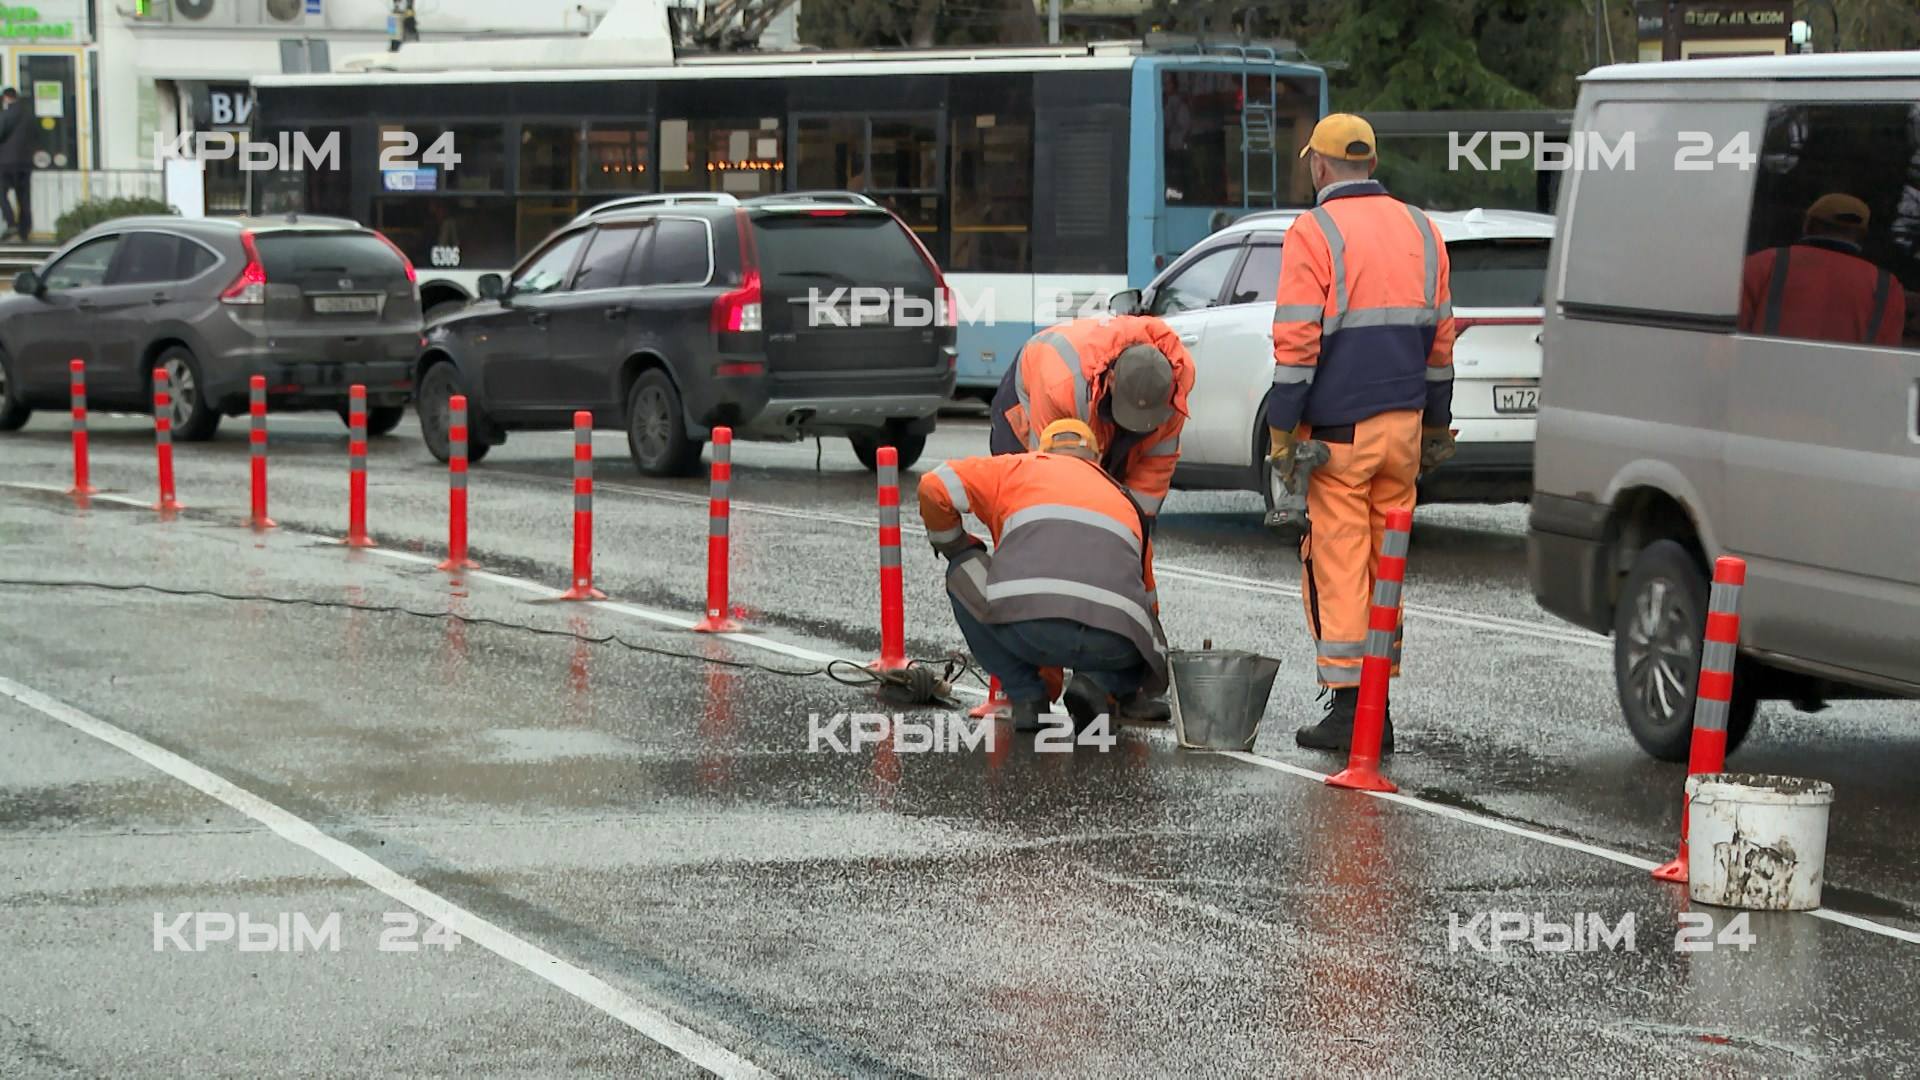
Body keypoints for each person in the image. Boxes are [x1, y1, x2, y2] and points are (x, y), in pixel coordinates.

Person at [1267, 113, 1456, 754]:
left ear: (1319, 167)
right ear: (1370, 165)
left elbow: (1296, 343)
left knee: (1339, 561)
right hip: (1404, 428)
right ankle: (1378, 702)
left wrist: (1281, 429)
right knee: (1385, 565)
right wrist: (1435, 423)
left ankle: (1351, 711)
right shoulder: (1422, 230)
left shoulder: (1313, 232)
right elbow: (1441, 343)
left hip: (1342, 436)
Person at [986, 313, 1191, 723]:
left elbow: (1143, 505)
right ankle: (1034, 686)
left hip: (1097, 411)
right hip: (1034, 419)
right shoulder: (1061, 381)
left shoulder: (1172, 387)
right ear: (1111, 381)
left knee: (1124, 544)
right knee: (1050, 540)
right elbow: (1057, 485)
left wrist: (1134, 535)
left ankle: (1111, 681)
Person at [919, 419, 1170, 733]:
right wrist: (1142, 681)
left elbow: (933, 485)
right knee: (1135, 626)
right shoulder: (1125, 500)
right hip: (1112, 646)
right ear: (1096, 458)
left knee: (962, 571)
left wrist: (955, 545)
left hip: (1029, 630)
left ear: (1042, 451)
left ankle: (1027, 698)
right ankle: (1097, 683)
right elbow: (1149, 604)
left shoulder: (1017, 467)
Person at [988, 313, 1194, 524]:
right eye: (1131, 413)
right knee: (1024, 496)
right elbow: (1046, 472)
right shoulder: (1063, 384)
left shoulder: (1173, 394)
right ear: (1112, 380)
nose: (1137, 427)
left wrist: (1137, 531)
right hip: (1033, 390)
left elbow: (1152, 476)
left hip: (1092, 392)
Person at [1738, 193, 1905, 346]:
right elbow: (1887, 357)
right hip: (1848, 378)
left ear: (1807, 224)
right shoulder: (1887, 286)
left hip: (1763, 374)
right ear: (1862, 234)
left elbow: (1732, 333)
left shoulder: (1763, 264)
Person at [0, 88, 35, 242]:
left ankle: (11, 225)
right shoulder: (29, 116)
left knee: (1, 194)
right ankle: (25, 230)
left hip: (6, 163)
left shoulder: (5, 115)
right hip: (25, 163)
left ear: (6, 98)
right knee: (24, 198)